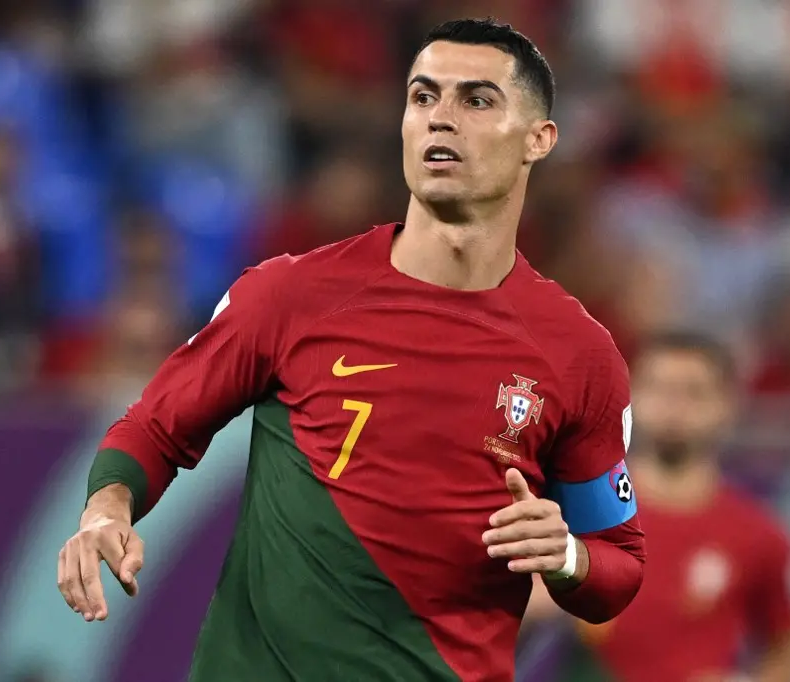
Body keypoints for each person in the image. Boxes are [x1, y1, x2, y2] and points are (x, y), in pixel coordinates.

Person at [55, 18, 646, 682]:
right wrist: (106, 507)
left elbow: (619, 564)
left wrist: (565, 555)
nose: (440, 118)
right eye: (423, 96)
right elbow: (155, 428)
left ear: (539, 138)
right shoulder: (289, 293)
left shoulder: (579, 354)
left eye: (477, 100)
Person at [525, 331, 790, 682]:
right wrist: (530, 606)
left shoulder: (759, 534)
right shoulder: (569, 511)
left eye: (693, 392)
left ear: (726, 405)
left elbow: (783, 649)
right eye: (660, 389)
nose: (674, 407)